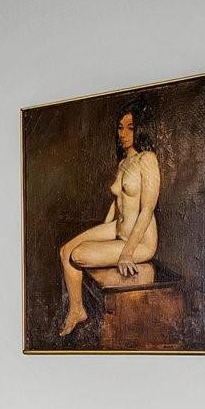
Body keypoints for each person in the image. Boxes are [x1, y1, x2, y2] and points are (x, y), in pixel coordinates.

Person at [57, 97, 161, 337]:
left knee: (78, 254)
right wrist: (105, 232)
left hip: (140, 242)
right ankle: (77, 310)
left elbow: (147, 210)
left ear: (142, 129)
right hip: (119, 228)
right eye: (120, 127)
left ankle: (79, 309)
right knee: (65, 251)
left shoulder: (148, 160)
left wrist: (126, 252)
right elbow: (118, 202)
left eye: (130, 128)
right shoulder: (125, 161)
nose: (123, 133)